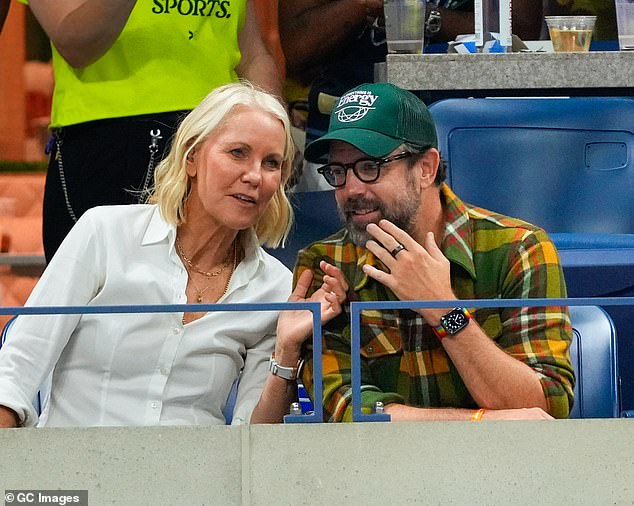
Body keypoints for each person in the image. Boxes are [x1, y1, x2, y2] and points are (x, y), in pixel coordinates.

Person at [0, 82, 347, 428]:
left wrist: (285, 352)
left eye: (271, 163)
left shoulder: (274, 287)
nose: (254, 176)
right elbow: (18, 365)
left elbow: (253, 440)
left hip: (195, 478)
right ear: (191, 157)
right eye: (238, 152)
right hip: (73, 473)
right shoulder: (104, 233)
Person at [295, 82, 575, 422]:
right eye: (337, 172)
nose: (351, 189)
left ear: (426, 168)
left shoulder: (520, 248)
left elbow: (548, 405)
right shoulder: (325, 265)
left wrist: (444, 310)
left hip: (507, 468)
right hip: (377, 470)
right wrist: (479, 423)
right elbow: (348, 411)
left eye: (370, 167)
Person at [23, 0, 283, 262]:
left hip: (218, 135)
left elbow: (252, 55)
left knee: (219, 287)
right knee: (97, 292)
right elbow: (75, 43)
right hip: (109, 141)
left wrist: (275, 133)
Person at [278, 0, 544, 189]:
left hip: (469, 139)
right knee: (343, 259)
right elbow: (295, 50)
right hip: (348, 135)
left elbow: (519, 29)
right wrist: (361, 5)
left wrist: (419, 14)